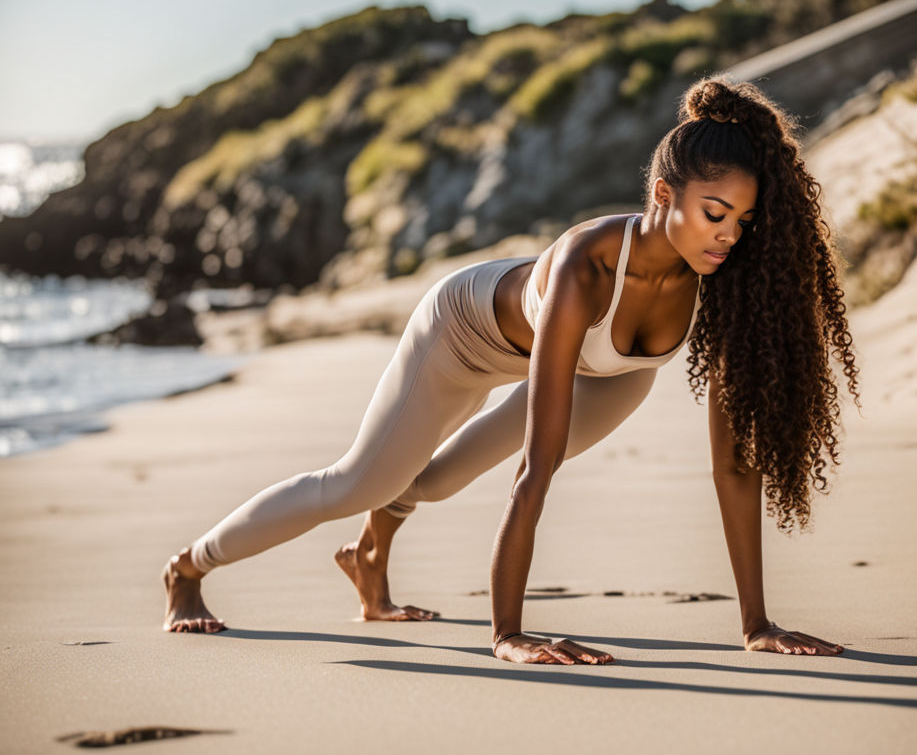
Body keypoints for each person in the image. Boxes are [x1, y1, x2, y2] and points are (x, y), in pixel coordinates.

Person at [162, 77, 859, 665]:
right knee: (361, 480)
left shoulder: (725, 281)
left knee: (431, 482)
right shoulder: (587, 266)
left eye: (742, 220)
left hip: (610, 372)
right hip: (464, 333)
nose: (729, 235)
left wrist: (757, 625)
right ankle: (187, 567)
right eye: (714, 213)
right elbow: (537, 466)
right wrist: (509, 635)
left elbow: (734, 466)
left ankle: (367, 558)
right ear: (662, 195)